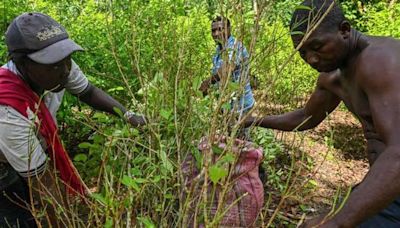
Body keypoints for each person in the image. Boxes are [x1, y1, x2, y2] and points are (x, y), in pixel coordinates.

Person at [244, 0, 400, 227]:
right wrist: (253, 120)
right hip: (387, 183)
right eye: (303, 53)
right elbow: (306, 117)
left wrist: (337, 221)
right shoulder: (333, 76)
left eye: (317, 47)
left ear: (344, 30)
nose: (311, 60)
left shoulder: (380, 61)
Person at [0, 12, 146, 227]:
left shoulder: (59, 66)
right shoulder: (7, 110)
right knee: (19, 217)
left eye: (66, 60)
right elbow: (42, 183)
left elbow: (88, 92)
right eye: (54, 65)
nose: (66, 70)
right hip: (4, 168)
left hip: (30, 154)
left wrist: (129, 116)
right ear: (22, 63)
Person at [200, 16, 255, 139]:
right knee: (230, 141)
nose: (216, 34)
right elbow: (220, 80)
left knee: (242, 143)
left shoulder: (235, 47)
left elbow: (227, 69)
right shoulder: (218, 51)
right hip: (228, 106)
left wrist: (207, 83)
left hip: (241, 106)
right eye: (213, 31)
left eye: (220, 29)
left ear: (229, 29)